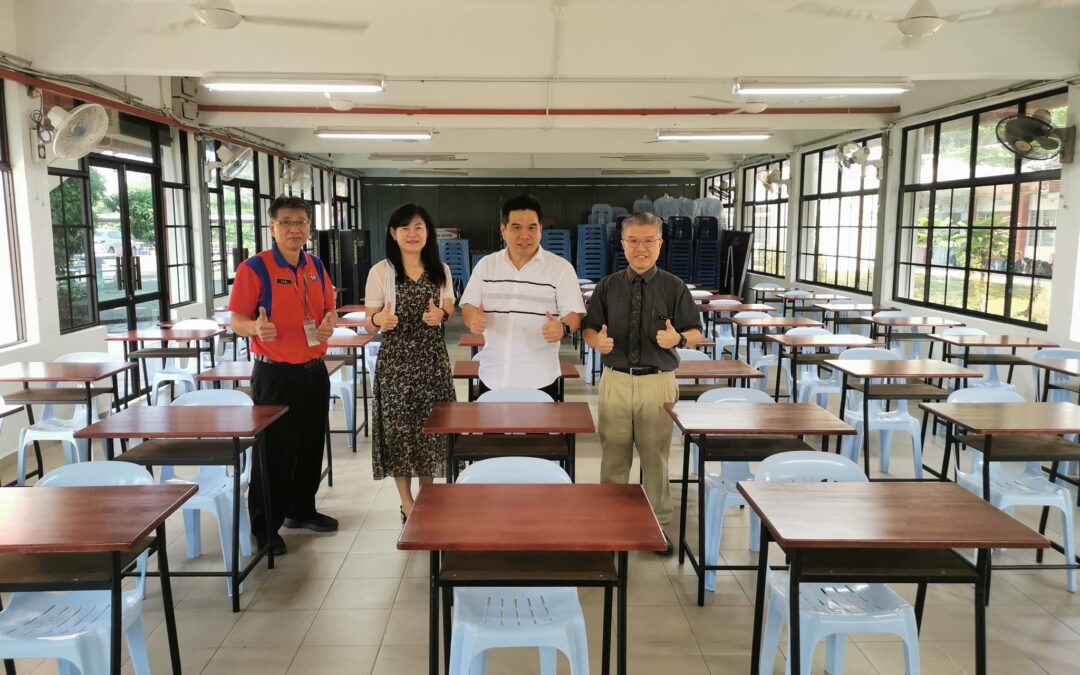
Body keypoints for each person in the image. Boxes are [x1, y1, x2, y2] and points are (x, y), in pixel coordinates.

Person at [582, 212, 702, 555]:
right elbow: (589, 327)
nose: (641, 248)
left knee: (655, 458)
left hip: (658, 383)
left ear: (660, 245)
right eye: (633, 240)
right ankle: (612, 523)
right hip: (616, 381)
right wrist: (596, 342)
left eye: (649, 240)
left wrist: (678, 338)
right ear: (622, 244)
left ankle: (657, 525)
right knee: (614, 457)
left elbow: (696, 332)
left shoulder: (674, 287)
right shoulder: (607, 285)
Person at [229, 195, 338, 556]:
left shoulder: (316, 265)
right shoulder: (255, 268)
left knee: (310, 445)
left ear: (309, 227)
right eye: (287, 222)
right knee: (274, 451)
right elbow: (237, 320)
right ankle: (265, 526)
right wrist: (256, 329)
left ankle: (301, 509)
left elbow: (329, 310)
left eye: (302, 222)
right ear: (273, 226)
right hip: (275, 374)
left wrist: (327, 325)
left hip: (313, 371)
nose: (295, 229)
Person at [364, 203, 456, 521]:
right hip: (395, 365)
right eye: (405, 228)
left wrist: (440, 314)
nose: (412, 234)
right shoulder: (381, 271)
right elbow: (368, 321)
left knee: (431, 432)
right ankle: (408, 503)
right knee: (399, 434)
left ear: (427, 232)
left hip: (432, 363)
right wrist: (380, 318)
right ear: (393, 233)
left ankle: (428, 496)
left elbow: (449, 308)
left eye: (418, 227)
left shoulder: (440, 269)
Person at [459, 194, 585, 400]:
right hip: (494, 375)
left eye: (532, 227)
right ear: (503, 230)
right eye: (516, 227)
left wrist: (562, 328)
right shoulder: (487, 266)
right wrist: (472, 319)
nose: (524, 235)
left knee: (540, 433)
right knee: (492, 433)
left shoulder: (560, 269)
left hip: (540, 378)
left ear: (541, 229)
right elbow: (468, 307)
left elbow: (573, 314)